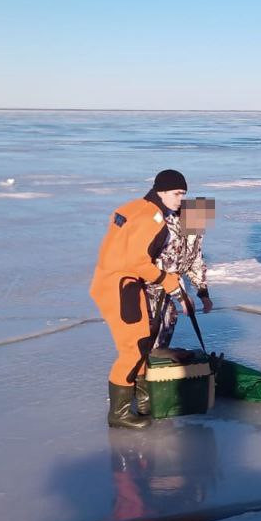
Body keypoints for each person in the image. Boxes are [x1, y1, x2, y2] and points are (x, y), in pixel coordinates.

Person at [90, 169, 188, 429]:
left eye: (183, 194)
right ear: (162, 191)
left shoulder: (132, 207)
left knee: (143, 340)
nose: (180, 200)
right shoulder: (153, 219)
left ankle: (144, 401)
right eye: (177, 193)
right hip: (122, 286)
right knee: (132, 348)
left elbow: (120, 237)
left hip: (110, 280)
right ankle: (120, 414)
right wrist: (166, 279)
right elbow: (137, 261)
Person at [146, 196, 215, 349]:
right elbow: (167, 267)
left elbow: (195, 261)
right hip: (149, 283)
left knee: (169, 317)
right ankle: (146, 361)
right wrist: (182, 297)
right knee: (160, 318)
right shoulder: (168, 231)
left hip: (168, 285)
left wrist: (203, 293)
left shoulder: (195, 232)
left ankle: (157, 356)